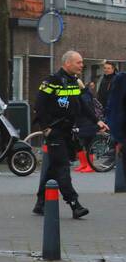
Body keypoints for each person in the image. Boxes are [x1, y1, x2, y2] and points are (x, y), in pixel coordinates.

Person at [32, 50, 105, 218]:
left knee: (54, 169)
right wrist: (46, 128)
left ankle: (40, 203)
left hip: (68, 132)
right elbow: (39, 106)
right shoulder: (52, 81)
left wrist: (97, 121)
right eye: (78, 62)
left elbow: (82, 105)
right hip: (55, 131)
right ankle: (74, 204)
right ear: (67, 64)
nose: (82, 65)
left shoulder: (73, 82)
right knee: (63, 167)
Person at [73, 79, 101, 173]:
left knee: (88, 143)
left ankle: (90, 165)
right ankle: (84, 164)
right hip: (80, 122)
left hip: (88, 122)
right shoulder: (79, 94)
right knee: (80, 142)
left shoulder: (85, 94)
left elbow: (85, 108)